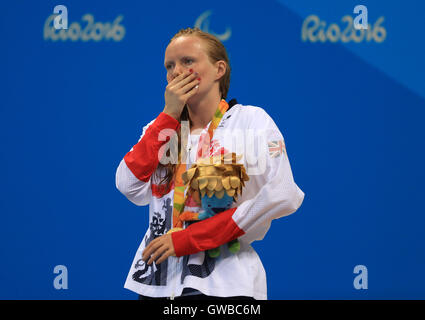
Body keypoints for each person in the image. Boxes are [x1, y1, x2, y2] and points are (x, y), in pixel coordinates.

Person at [115, 27, 305, 300]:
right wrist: (169, 115)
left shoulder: (250, 122)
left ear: (219, 70)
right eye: (169, 66)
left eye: (188, 61)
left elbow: (283, 194)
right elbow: (127, 185)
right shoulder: (160, 129)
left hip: (224, 286)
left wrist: (190, 238)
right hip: (155, 285)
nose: (176, 72)